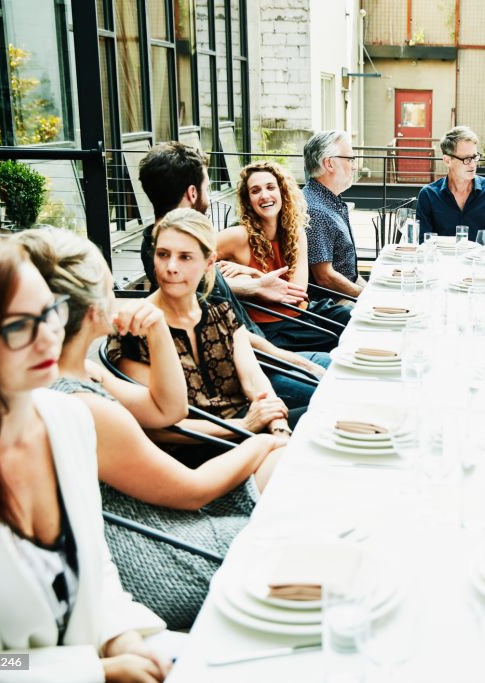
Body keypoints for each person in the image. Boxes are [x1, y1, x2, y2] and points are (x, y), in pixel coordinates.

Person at [17, 227, 285, 629]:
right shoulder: (80, 404)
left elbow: (166, 409)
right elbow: (191, 491)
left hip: (161, 518)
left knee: (287, 466)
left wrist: (158, 331)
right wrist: (258, 441)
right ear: (93, 310)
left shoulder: (79, 371)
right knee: (291, 487)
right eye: (111, 288)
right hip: (158, 556)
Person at [0, 236, 170, 682]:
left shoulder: (68, 421)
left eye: (50, 311)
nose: (49, 335)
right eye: (18, 326)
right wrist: (93, 671)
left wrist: (121, 635)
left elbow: (95, 568)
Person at [137, 142, 329, 407]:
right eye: (207, 186)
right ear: (192, 193)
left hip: (264, 358)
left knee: (353, 371)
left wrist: (251, 283)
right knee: (345, 391)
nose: (210, 194)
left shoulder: (174, 246)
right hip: (253, 374)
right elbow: (233, 339)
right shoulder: (179, 262)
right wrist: (298, 362)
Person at [109, 208, 293, 459]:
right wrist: (245, 427)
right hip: (190, 449)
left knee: (325, 420)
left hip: (247, 427)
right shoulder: (135, 325)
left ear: (209, 263)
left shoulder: (220, 311)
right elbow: (156, 428)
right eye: (163, 254)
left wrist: (279, 428)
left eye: (185, 257)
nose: (171, 267)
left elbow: (255, 381)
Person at [217, 160, 352, 353]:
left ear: (282, 192)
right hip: (272, 328)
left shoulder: (296, 233)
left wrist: (250, 273)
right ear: (248, 200)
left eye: (270, 187)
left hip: (304, 312)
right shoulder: (237, 236)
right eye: (255, 191)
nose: (264, 195)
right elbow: (192, 262)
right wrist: (247, 279)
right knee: (344, 341)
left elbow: (295, 292)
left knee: (354, 319)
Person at [415, 126, 485, 248]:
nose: (473, 164)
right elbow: (422, 243)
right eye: (467, 159)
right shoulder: (428, 195)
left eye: (474, 157)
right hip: (443, 265)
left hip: (483, 265)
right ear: (447, 161)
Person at [303, 130, 366, 298]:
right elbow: (325, 277)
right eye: (350, 159)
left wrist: (370, 292)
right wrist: (366, 297)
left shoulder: (330, 201)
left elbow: (348, 271)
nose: (354, 165)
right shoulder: (315, 210)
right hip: (332, 305)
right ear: (329, 164)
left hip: (345, 295)